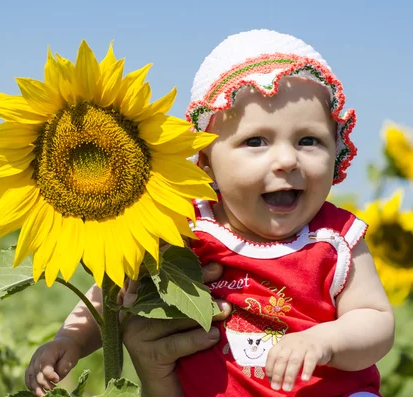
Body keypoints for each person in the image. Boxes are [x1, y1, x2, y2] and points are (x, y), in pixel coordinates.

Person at [26, 29, 395, 396]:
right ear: (205, 163)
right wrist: (70, 340)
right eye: (256, 141)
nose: (286, 159)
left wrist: (325, 340)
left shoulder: (334, 236)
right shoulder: (182, 225)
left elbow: (377, 321)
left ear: (337, 151)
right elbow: (109, 290)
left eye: (309, 140)